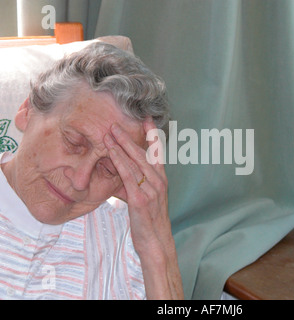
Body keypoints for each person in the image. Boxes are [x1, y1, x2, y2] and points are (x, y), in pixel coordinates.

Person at [0, 42, 183, 300]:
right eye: (73, 142)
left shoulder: (128, 238)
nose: (80, 180)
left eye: (108, 168)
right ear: (27, 111)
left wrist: (156, 248)